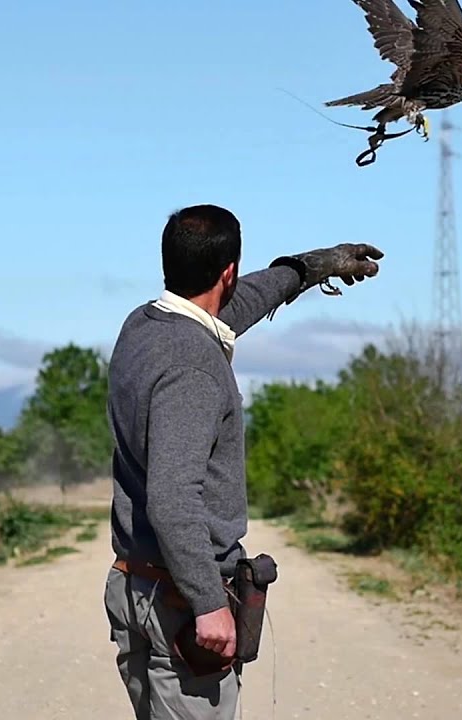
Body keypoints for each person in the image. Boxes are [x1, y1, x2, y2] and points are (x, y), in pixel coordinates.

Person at [102, 203, 383, 719]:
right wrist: (210, 602)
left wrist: (309, 268)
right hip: (181, 604)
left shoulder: (144, 328)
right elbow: (173, 496)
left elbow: (237, 305)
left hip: (137, 583)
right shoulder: (194, 369)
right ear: (226, 271)